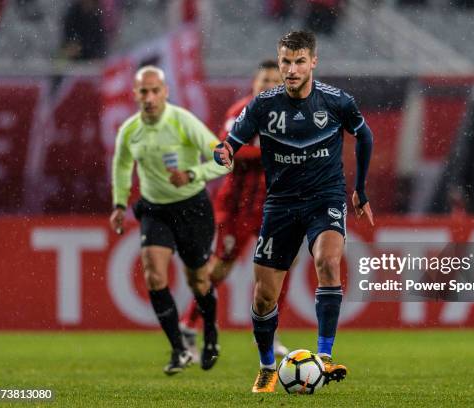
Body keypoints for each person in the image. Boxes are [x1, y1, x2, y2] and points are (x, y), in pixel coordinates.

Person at [214, 30, 374, 393]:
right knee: (264, 296)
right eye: (286, 61)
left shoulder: (336, 101)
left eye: (300, 61)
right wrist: (222, 153)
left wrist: (360, 189)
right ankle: (268, 366)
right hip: (281, 204)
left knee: (329, 262)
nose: (291, 69)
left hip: (325, 197)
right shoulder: (262, 106)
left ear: (313, 62)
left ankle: (325, 357)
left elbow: (364, 136)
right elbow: (231, 143)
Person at [110, 66, 230, 375]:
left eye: (154, 91)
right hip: (155, 209)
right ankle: (179, 350)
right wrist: (120, 203)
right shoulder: (129, 130)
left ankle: (211, 336)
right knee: (153, 275)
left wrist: (192, 174)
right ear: (135, 94)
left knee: (198, 280)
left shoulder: (182, 121)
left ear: (165, 92)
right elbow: (122, 165)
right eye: (143, 92)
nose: (149, 98)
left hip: (191, 207)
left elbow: (223, 159)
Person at [178, 60, 289, 360]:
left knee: (278, 270)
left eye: (274, 80)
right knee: (220, 268)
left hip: (275, 206)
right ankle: (188, 325)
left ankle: (270, 332)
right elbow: (228, 151)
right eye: (263, 79)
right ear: (254, 83)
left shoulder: (292, 115)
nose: (268, 84)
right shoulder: (240, 112)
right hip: (239, 206)